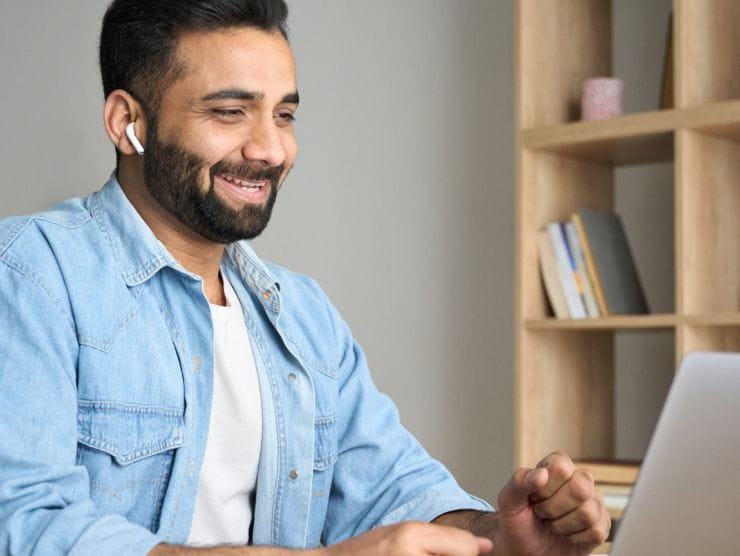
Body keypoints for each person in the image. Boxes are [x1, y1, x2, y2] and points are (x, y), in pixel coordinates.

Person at [0, 1, 609, 554]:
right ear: (127, 121)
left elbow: (395, 490)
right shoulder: (32, 274)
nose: (271, 148)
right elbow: (25, 525)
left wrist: (503, 537)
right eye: (231, 111)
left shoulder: (302, 314)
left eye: (284, 114)